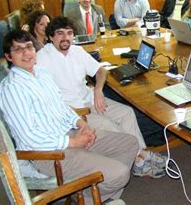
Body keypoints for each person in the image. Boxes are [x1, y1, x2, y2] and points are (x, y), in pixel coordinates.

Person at [0, 30, 138, 203]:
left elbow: (61, 106)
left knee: (130, 143)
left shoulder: (40, 73)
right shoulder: (13, 88)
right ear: (9, 56)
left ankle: (88, 195)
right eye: (18, 49)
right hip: (49, 153)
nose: (26, 53)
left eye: (29, 47)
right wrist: (73, 143)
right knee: (120, 174)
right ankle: (88, 196)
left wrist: (80, 123)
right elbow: (30, 136)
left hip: (69, 133)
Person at [37, 16, 166, 178]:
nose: (65, 38)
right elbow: (44, 98)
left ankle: (139, 158)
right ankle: (142, 157)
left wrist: (98, 91)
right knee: (109, 124)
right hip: (73, 112)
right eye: (60, 33)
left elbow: (101, 71)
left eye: (69, 33)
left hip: (90, 99)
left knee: (127, 113)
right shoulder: (42, 59)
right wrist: (74, 113)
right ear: (50, 36)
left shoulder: (77, 51)